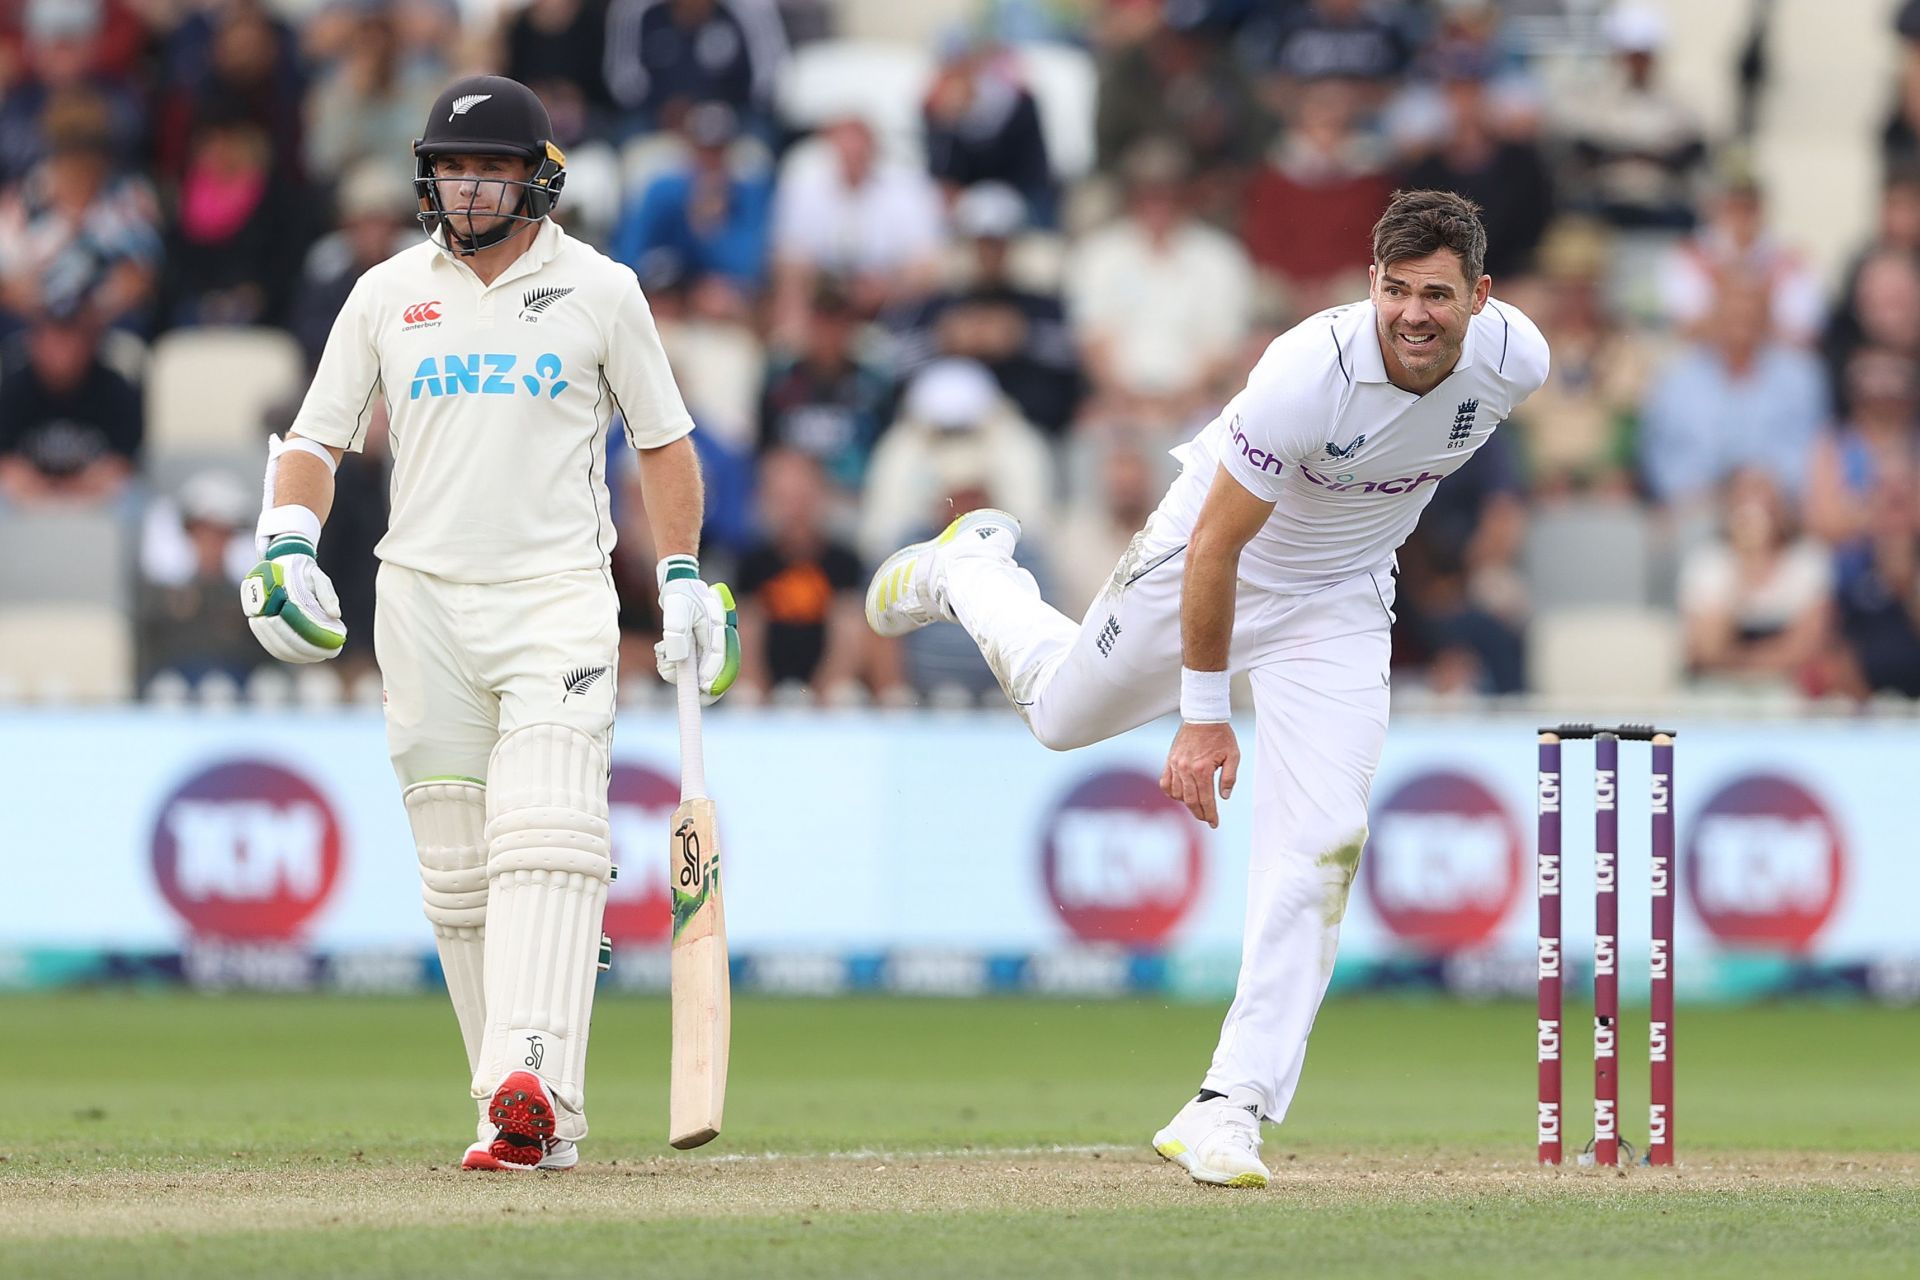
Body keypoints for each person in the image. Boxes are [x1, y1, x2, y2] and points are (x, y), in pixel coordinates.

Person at [863, 190, 1548, 1188]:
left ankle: (1230, 1105)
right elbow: (1220, 546)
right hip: (1212, 559)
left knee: (1324, 844)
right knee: (1059, 716)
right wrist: (1202, 717)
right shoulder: (1309, 371)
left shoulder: (1515, 359)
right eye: (1394, 289)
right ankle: (969, 569)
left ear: (1480, 298)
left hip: (1344, 602)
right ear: (1370, 285)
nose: (1412, 313)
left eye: (1437, 294)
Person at [237, 75, 736, 1172]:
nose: (467, 188)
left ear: (535, 178)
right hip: (418, 603)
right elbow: (315, 442)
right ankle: (515, 1112)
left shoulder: (602, 291)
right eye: (453, 169)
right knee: (460, 877)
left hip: (557, 593)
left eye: (490, 169)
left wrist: (685, 574)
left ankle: (536, 1074)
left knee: (549, 834)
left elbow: (663, 442)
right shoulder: (383, 292)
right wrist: (283, 540)